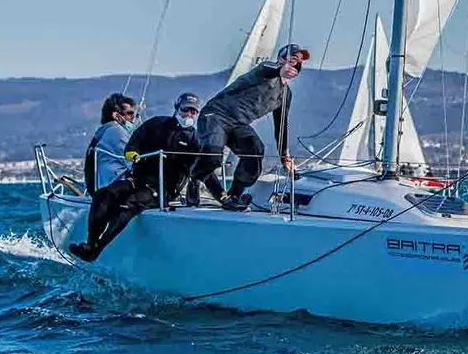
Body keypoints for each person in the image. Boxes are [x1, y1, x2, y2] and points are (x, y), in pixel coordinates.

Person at [69, 92, 220, 262]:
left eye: (194, 112)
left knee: (128, 204)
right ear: (177, 108)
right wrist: (131, 153)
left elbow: (205, 170)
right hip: (139, 180)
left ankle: (97, 250)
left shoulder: (195, 140)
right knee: (104, 194)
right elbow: (133, 142)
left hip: (163, 190)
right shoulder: (156, 124)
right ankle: (90, 243)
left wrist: (223, 196)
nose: (189, 115)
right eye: (186, 110)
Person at [189, 43, 309, 211]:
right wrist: (279, 70)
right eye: (290, 59)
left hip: (238, 124)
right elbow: (268, 68)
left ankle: (234, 196)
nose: (294, 63)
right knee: (213, 157)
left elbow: (281, 127)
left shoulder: (285, 95)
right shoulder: (264, 70)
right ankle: (195, 176)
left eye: (298, 61)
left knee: (256, 151)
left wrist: (284, 157)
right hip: (216, 115)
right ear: (281, 60)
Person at [83, 93, 137, 195]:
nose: (133, 118)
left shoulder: (104, 131)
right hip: (111, 192)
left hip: (100, 189)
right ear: (116, 116)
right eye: (129, 114)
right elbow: (134, 162)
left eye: (135, 115)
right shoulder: (116, 131)